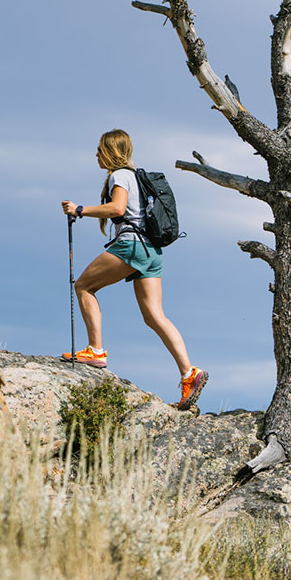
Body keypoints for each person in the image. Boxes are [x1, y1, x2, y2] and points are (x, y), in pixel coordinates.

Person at [60, 129, 208, 411]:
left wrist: (79, 210)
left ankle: (95, 350)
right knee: (154, 316)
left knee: (83, 286)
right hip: (152, 251)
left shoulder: (120, 176)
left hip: (131, 246)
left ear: (111, 151)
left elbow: (117, 209)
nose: (96, 154)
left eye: (99, 149)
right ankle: (189, 372)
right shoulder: (137, 177)